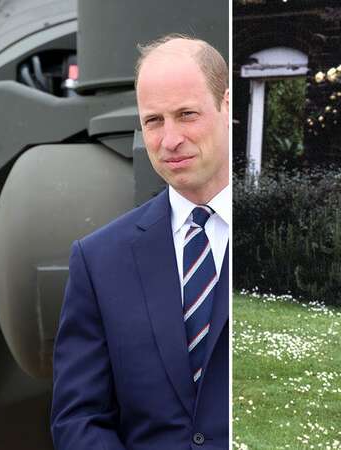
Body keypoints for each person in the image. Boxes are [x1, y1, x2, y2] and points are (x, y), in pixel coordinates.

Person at [50, 34, 230, 449]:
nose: (169, 140)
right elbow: (79, 418)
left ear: (226, 106)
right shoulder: (99, 260)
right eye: (154, 120)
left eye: (186, 114)